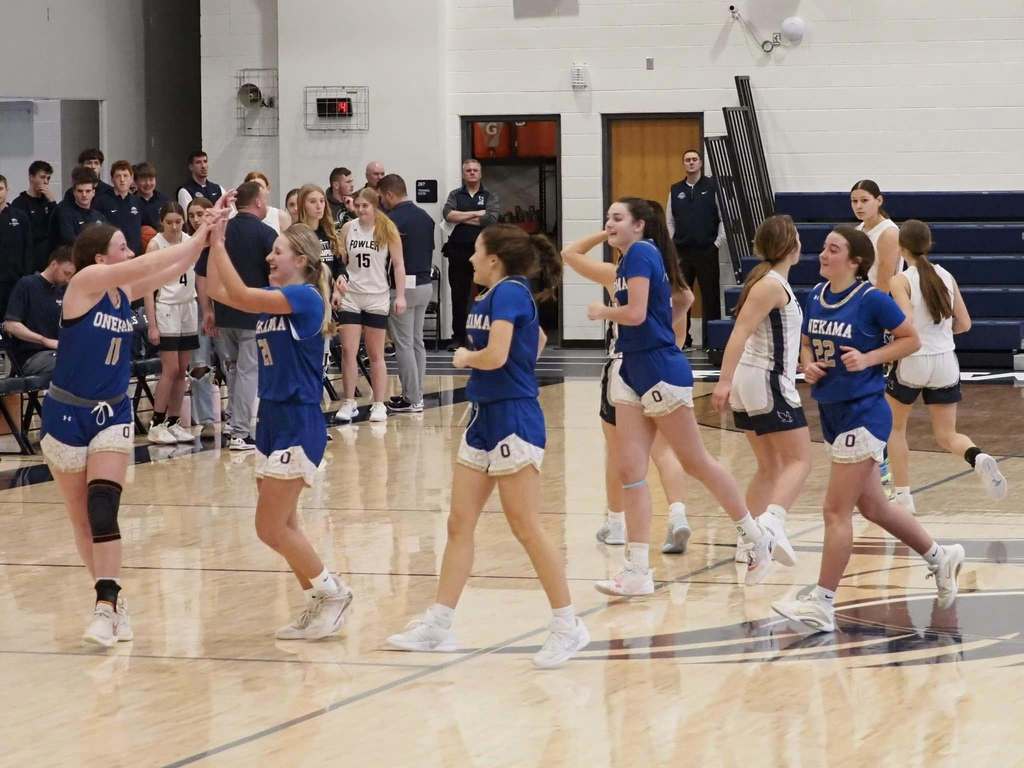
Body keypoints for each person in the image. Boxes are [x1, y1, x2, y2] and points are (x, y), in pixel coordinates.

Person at [386, 224, 589, 668]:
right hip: (482, 416)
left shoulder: (512, 292)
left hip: (514, 416)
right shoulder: (491, 295)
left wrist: (464, 359)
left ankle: (568, 625)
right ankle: (438, 624)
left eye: (476, 252)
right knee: (459, 524)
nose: (471, 259)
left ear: (494, 258)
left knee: (527, 528)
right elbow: (532, 341)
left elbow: (495, 356)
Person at [585, 198, 794, 595]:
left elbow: (636, 314)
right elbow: (676, 301)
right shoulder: (628, 259)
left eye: (616, 218)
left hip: (660, 368)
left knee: (695, 461)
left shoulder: (644, 253)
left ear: (640, 225)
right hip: (630, 366)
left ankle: (755, 536)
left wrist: (602, 311)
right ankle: (637, 570)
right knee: (631, 470)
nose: (609, 224)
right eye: (607, 217)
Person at [772, 226, 965, 632]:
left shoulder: (871, 299)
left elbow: (910, 339)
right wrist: (808, 363)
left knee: (834, 510)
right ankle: (939, 556)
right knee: (873, 506)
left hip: (865, 413)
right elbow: (808, 341)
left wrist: (870, 356)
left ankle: (823, 602)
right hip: (832, 411)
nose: (823, 254)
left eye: (833, 249)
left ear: (855, 260)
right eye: (824, 247)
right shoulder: (816, 295)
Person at [39, 208, 216, 647]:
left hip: (112, 413)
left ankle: (105, 604)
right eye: (122, 246)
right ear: (100, 259)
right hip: (65, 414)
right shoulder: (84, 285)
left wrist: (206, 235)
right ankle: (111, 599)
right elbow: (150, 263)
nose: (132, 252)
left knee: (103, 508)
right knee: (82, 521)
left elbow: (173, 268)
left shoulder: (122, 291)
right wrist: (193, 240)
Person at [204, 214, 354, 640]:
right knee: (285, 526)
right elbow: (218, 290)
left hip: (297, 418)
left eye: (277, 251)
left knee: (268, 528)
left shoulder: (305, 298)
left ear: (302, 259)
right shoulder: (276, 296)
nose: (269, 256)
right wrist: (209, 244)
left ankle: (333, 592)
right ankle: (316, 601)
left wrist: (217, 243)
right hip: (269, 419)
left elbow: (233, 290)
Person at [561, 214, 695, 555]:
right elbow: (677, 334)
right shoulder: (676, 285)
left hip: (625, 365)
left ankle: (617, 522)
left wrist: (603, 233)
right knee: (664, 451)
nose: (612, 224)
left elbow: (570, 254)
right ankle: (678, 514)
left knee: (619, 450)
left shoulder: (619, 275)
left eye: (616, 219)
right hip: (664, 367)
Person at [885, 219, 1007, 512]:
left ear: (901, 247)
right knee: (946, 435)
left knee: (895, 429)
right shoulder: (946, 275)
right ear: (928, 245)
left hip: (913, 359)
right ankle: (977, 457)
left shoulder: (900, 279)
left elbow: (906, 323)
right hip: (945, 361)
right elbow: (964, 323)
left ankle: (903, 497)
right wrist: (938, 332)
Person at [711, 215, 812, 564]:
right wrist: (723, 381)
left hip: (756, 379)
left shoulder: (772, 283)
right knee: (800, 460)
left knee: (770, 466)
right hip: (762, 380)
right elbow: (738, 333)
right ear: (790, 246)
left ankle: (748, 543)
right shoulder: (770, 284)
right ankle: (771, 526)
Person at [195, 181, 276, 450]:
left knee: (232, 371)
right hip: (254, 314)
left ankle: (233, 421)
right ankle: (240, 431)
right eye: (264, 198)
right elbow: (276, 275)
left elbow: (203, 273)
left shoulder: (221, 231)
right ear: (257, 202)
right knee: (247, 373)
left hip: (224, 313)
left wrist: (208, 310)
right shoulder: (266, 233)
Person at [334, 188, 405, 423]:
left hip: (377, 296)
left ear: (375, 207)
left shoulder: (387, 229)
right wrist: (337, 285)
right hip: (352, 296)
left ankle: (378, 403)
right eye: (358, 205)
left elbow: (398, 265)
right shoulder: (348, 228)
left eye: (366, 205)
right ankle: (349, 402)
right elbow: (340, 264)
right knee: (348, 351)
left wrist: (401, 295)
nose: (361, 209)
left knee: (376, 354)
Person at [143, 202, 200, 444]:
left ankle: (174, 421)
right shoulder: (155, 244)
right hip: (166, 307)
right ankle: (156, 422)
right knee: (170, 369)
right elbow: (147, 287)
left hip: (189, 305)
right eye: (169, 222)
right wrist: (152, 324)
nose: (175, 226)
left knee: (182, 370)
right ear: (162, 223)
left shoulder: (190, 240)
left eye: (178, 221)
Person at [378, 173, 435, 413]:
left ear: (390, 194)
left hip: (403, 287)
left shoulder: (391, 220)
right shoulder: (426, 217)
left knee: (403, 345)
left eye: (382, 197)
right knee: (416, 342)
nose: (381, 201)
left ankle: (412, 397)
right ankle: (416, 392)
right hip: (425, 284)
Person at [667, 149, 723, 349]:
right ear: (684, 164)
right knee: (681, 297)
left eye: (694, 159)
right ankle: (683, 339)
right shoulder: (675, 190)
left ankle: (711, 342)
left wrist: (717, 243)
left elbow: (723, 218)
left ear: (700, 163)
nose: (691, 163)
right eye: (687, 160)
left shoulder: (713, 187)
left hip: (707, 250)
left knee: (710, 297)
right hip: (682, 252)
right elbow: (669, 221)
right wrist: (672, 245)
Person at [442, 158, 500, 350]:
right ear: (464, 174)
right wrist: (477, 213)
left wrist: (462, 217)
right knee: (458, 297)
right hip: (458, 252)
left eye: (475, 170)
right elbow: (448, 215)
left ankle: (483, 338)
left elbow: (491, 219)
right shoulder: (455, 194)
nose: (472, 173)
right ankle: (459, 338)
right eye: (469, 170)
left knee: (484, 296)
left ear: (481, 173)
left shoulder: (490, 195)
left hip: (482, 255)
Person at [3, 245, 75, 375]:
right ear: (54, 264)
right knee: (72, 362)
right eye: (66, 273)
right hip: (32, 356)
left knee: (91, 358)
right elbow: (11, 325)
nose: (68, 279)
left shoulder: (64, 292)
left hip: (59, 352)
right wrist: (44, 340)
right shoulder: (27, 285)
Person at [185, 198, 220, 436]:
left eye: (200, 214)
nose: (196, 219)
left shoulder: (221, 241)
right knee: (199, 365)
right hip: (195, 307)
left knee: (232, 361)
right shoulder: (187, 245)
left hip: (224, 304)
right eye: (192, 215)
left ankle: (240, 415)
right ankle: (206, 419)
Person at [850, 179, 901, 293]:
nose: (858, 206)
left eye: (864, 200)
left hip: (879, 301)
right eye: (854, 201)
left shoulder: (889, 232)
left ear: (879, 200)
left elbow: (884, 283)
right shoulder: (857, 230)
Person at [12, 160, 57, 272]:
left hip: (50, 256)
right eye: (42, 177)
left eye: (48, 178)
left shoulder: (48, 201)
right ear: (31, 177)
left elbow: (57, 224)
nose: (45, 181)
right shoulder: (20, 203)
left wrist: (52, 202)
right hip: (31, 258)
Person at [0, 174, 33, 318]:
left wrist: (25, 276)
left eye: (0, 188)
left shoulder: (20, 216)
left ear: (7, 190)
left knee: (13, 319)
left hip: (15, 280)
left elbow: (28, 248)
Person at [50, 166, 106, 248]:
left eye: (88, 191)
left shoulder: (99, 216)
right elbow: (69, 240)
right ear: (74, 192)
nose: (84, 195)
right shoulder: (64, 213)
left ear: (93, 192)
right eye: (80, 191)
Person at [96, 161, 143, 256]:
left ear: (131, 178)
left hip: (134, 255)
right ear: (112, 179)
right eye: (118, 176)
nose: (122, 180)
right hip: (112, 255)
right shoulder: (101, 201)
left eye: (125, 176)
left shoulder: (137, 201)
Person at [133, 162, 168, 231]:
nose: (148, 183)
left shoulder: (164, 201)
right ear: (135, 181)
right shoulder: (130, 202)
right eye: (143, 180)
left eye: (151, 179)